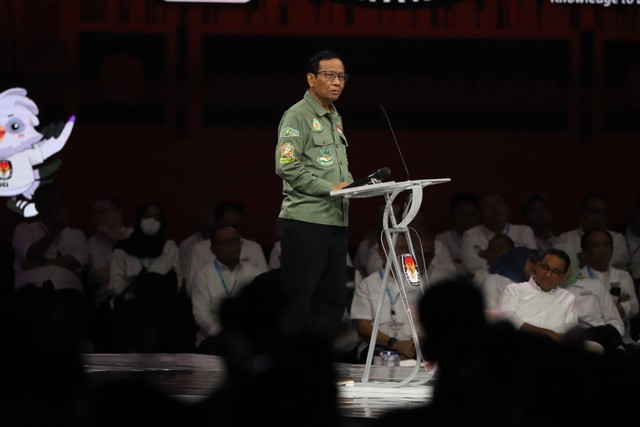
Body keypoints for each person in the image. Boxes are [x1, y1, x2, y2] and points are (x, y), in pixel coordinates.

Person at [274, 49, 353, 347]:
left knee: (333, 299)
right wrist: (331, 189)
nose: (337, 82)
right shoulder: (297, 115)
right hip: (305, 220)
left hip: (335, 220)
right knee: (299, 299)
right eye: (329, 75)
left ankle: (320, 366)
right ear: (311, 79)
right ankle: (292, 365)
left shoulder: (335, 117)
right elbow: (287, 165)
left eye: (341, 76)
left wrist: (349, 189)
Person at [108, 201, 186, 352]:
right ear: (139, 218)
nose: (152, 221)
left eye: (157, 218)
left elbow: (177, 283)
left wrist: (149, 284)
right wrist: (142, 284)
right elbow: (116, 285)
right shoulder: (122, 248)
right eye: (147, 216)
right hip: (130, 308)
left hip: (163, 308)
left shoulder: (169, 247)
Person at [350, 233, 424, 363]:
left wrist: (412, 346)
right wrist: (396, 344)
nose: (396, 254)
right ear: (381, 252)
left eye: (402, 248)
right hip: (382, 348)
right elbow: (362, 327)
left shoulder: (418, 283)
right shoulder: (367, 284)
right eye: (391, 249)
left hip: (417, 349)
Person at [191, 224, 262, 353]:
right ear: (213, 249)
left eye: (235, 240)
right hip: (212, 340)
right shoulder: (203, 274)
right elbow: (201, 314)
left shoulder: (254, 273)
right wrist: (226, 335)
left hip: (247, 339)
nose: (231, 245)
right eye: (224, 242)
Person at [12, 182, 89, 293]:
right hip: (30, 289)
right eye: (51, 202)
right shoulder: (24, 230)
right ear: (38, 206)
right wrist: (55, 229)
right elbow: (31, 255)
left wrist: (40, 263)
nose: (56, 207)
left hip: (67, 289)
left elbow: (75, 262)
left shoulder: (76, 234)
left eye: (59, 202)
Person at [184, 200, 268, 297]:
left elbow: (265, 286)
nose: (232, 230)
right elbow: (192, 289)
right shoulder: (199, 249)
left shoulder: (254, 248)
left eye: (236, 226)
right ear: (217, 222)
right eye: (228, 225)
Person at [554, 242, 625, 355]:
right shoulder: (548, 291)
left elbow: (615, 322)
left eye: (565, 263)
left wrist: (603, 339)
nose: (561, 268)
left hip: (603, 342)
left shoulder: (594, 285)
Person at [496, 248, 579, 342]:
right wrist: (547, 333)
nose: (548, 275)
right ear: (537, 267)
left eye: (555, 272)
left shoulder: (568, 298)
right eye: (545, 267)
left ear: (562, 278)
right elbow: (506, 318)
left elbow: (570, 332)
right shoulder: (515, 289)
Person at [580, 228, 639, 350]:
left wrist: (602, 309)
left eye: (606, 245)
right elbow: (586, 316)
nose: (602, 250)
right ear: (584, 252)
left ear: (612, 249)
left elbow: (634, 306)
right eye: (596, 245)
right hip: (592, 342)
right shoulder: (579, 279)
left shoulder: (623, 276)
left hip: (623, 339)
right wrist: (618, 306)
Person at [460, 191, 537, 277]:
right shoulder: (470, 235)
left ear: (506, 208)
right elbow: (470, 265)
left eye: (497, 203)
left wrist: (492, 259)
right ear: (480, 214)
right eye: (487, 206)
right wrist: (512, 259)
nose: (494, 209)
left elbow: (532, 262)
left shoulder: (524, 231)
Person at [557, 192, 630, 269]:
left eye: (601, 212)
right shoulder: (565, 239)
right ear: (582, 213)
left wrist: (580, 258)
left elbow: (612, 262)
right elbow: (560, 264)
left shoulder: (617, 239)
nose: (596, 216)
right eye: (592, 211)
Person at [481, 246, 538, 316]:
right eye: (533, 260)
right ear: (519, 257)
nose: (536, 266)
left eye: (539, 263)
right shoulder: (494, 280)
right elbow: (489, 315)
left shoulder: (532, 288)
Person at [435, 191, 481, 277]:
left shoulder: (483, 237)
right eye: (461, 215)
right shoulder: (442, 239)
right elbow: (444, 269)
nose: (467, 220)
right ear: (453, 216)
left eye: (471, 215)